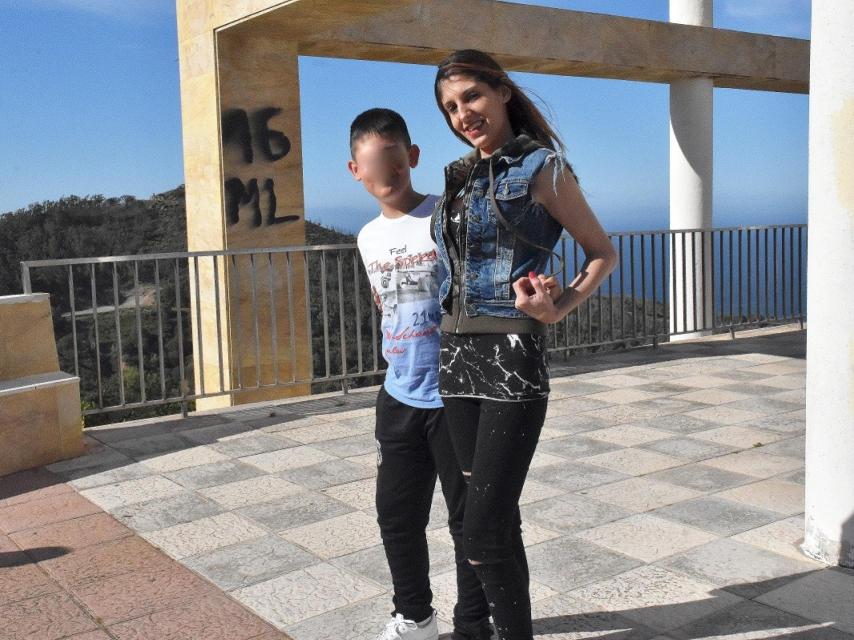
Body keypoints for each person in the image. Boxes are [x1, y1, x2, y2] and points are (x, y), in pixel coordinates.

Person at [430, 50, 619, 640]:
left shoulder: (543, 167)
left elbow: (602, 253)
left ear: (502, 92)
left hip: (511, 356)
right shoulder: (460, 176)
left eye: (471, 97)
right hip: (455, 355)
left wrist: (556, 308)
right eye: (451, 107)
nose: (463, 114)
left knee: (483, 530)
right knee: (488, 518)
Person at [349, 108, 494, 640]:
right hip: (399, 393)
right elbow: (383, 302)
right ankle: (414, 618)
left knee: (467, 520)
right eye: (373, 167)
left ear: (412, 158)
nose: (386, 177)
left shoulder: (444, 216)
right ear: (355, 171)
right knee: (396, 515)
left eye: (395, 164)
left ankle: (473, 625)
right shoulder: (367, 237)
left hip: (457, 392)